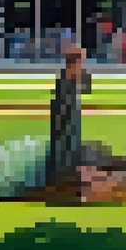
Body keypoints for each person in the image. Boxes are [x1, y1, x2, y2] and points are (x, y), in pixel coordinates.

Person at [47, 45, 92, 183]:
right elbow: (62, 108)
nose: (82, 66)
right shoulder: (63, 80)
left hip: (71, 121)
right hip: (64, 122)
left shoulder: (73, 78)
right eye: (81, 62)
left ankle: (68, 177)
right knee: (63, 152)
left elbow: (87, 88)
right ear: (74, 63)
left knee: (72, 150)